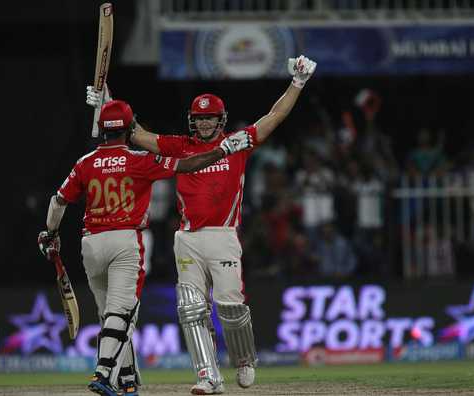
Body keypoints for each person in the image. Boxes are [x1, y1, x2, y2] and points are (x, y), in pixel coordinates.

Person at [86, 55, 317, 395]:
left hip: (223, 237)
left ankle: (243, 360)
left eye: (211, 119)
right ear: (192, 120)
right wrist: (108, 102)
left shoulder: (236, 145)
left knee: (229, 304)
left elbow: (274, 117)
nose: (206, 124)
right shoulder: (180, 147)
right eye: (200, 119)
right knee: (190, 308)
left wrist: (297, 83)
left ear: (220, 119)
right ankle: (208, 376)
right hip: (188, 239)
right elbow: (136, 134)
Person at [37, 99, 252, 396]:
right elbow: (187, 164)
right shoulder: (140, 160)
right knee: (122, 314)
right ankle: (104, 372)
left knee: (108, 315)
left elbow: (58, 201)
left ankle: (127, 379)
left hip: (90, 243)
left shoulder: (85, 162)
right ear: (128, 130)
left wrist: (50, 233)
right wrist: (222, 151)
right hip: (125, 241)